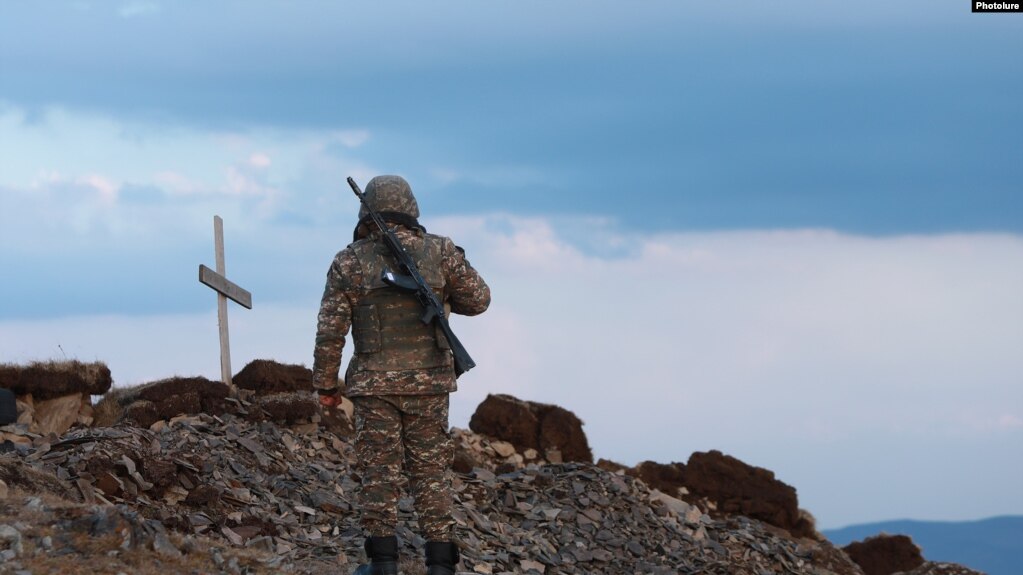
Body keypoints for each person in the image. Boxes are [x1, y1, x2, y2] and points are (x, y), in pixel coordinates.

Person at [313, 175, 491, 575]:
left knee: (380, 471)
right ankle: (441, 565)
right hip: (429, 384)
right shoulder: (441, 251)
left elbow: (330, 330)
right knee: (431, 473)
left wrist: (325, 385)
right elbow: (479, 300)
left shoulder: (349, 260)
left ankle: (382, 564)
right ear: (412, 209)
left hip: (374, 385)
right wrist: (442, 292)